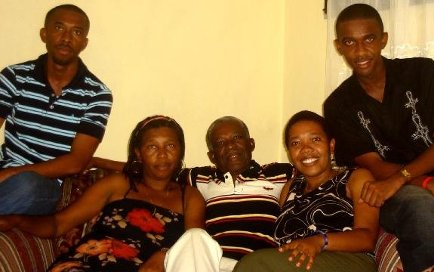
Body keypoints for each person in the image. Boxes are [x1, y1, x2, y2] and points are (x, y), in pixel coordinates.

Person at [323, 3, 434, 272]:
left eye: (369, 39)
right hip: (393, 193)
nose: (360, 50)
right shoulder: (338, 104)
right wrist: (427, 183)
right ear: (338, 46)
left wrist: (432, 182)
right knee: (424, 211)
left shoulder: (422, 72)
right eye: (349, 42)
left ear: (383, 39)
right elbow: (374, 165)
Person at [0, 115, 207, 271]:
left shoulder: (189, 197)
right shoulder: (118, 184)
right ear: (138, 153)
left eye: (170, 145)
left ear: (181, 150)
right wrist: (18, 220)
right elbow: (58, 224)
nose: (162, 154)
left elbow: (193, 245)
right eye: (152, 146)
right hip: (85, 266)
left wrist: (164, 256)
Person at [0, 4, 113, 215]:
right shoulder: (14, 76)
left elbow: (76, 162)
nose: (67, 38)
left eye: (76, 32)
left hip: (44, 186)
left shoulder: (97, 95)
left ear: (84, 43)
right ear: (44, 34)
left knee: (27, 185)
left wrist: (14, 173)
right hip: (4, 169)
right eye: (59, 28)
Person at [233, 110, 379, 272]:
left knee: (254, 264)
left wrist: (319, 241)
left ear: (331, 145)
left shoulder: (355, 178)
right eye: (296, 143)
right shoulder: (290, 188)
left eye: (315, 139)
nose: (306, 149)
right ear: (289, 153)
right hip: (296, 263)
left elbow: (367, 237)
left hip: (348, 261)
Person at [179, 116, 294, 272]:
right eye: (220, 143)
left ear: (251, 144)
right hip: (212, 263)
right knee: (193, 237)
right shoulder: (200, 178)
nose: (230, 146)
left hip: (257, 264)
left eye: (237, 138)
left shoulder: (278, 173)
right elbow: (159, 175)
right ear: (212, 156)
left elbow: (319, 172)